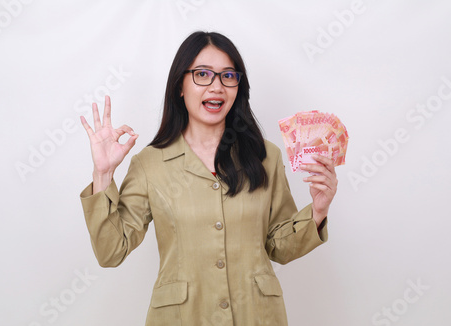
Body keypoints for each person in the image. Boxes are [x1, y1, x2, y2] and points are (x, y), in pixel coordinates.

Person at [79, 31, 338, 326]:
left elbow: (279, 246)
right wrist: (103, 174)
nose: (217, 87)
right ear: (180, 85)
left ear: (238, 86)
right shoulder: (150, 163)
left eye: (228, 76)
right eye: (203, 74)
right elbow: (111, 251)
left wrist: (317, 211)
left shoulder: (266, 156)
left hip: (256, 316)